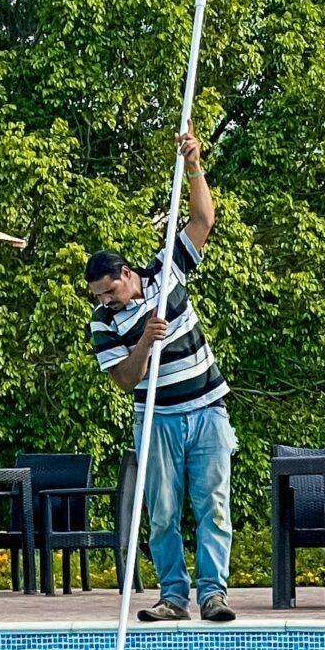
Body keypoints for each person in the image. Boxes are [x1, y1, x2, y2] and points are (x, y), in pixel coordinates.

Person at [85, 126, 236, 622]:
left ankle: (214, 595)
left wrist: (193, 164)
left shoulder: (166, 268)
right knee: (164, 513)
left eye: (108, 292)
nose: (105, 302)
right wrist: (147, 340)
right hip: (156, 417)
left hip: (207, 409)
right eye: (98, 298)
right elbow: (125, 380)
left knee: (212, 505)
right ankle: (174, 596)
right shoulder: (104, 324)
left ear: (126, 274)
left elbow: (202, 219)